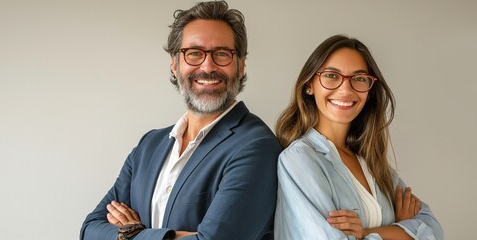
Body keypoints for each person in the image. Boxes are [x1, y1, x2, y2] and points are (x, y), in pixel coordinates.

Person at [80, 1, 282, 240]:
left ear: (240, 66)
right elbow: (90, 229)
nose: (208, 66)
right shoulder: (150, 145)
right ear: (175, 65)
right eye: (194, 53)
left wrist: (133, 233)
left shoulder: (256, 146)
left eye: (222, 54)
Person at [274, 35, 444, 240]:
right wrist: (401, 229)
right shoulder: (299, 159)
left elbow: (433, 230)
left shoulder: (374, 165)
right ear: (309, 85)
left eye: (359, 78)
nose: (346, 89)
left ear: (369, 91)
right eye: (331, 75)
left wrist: (365, 233)